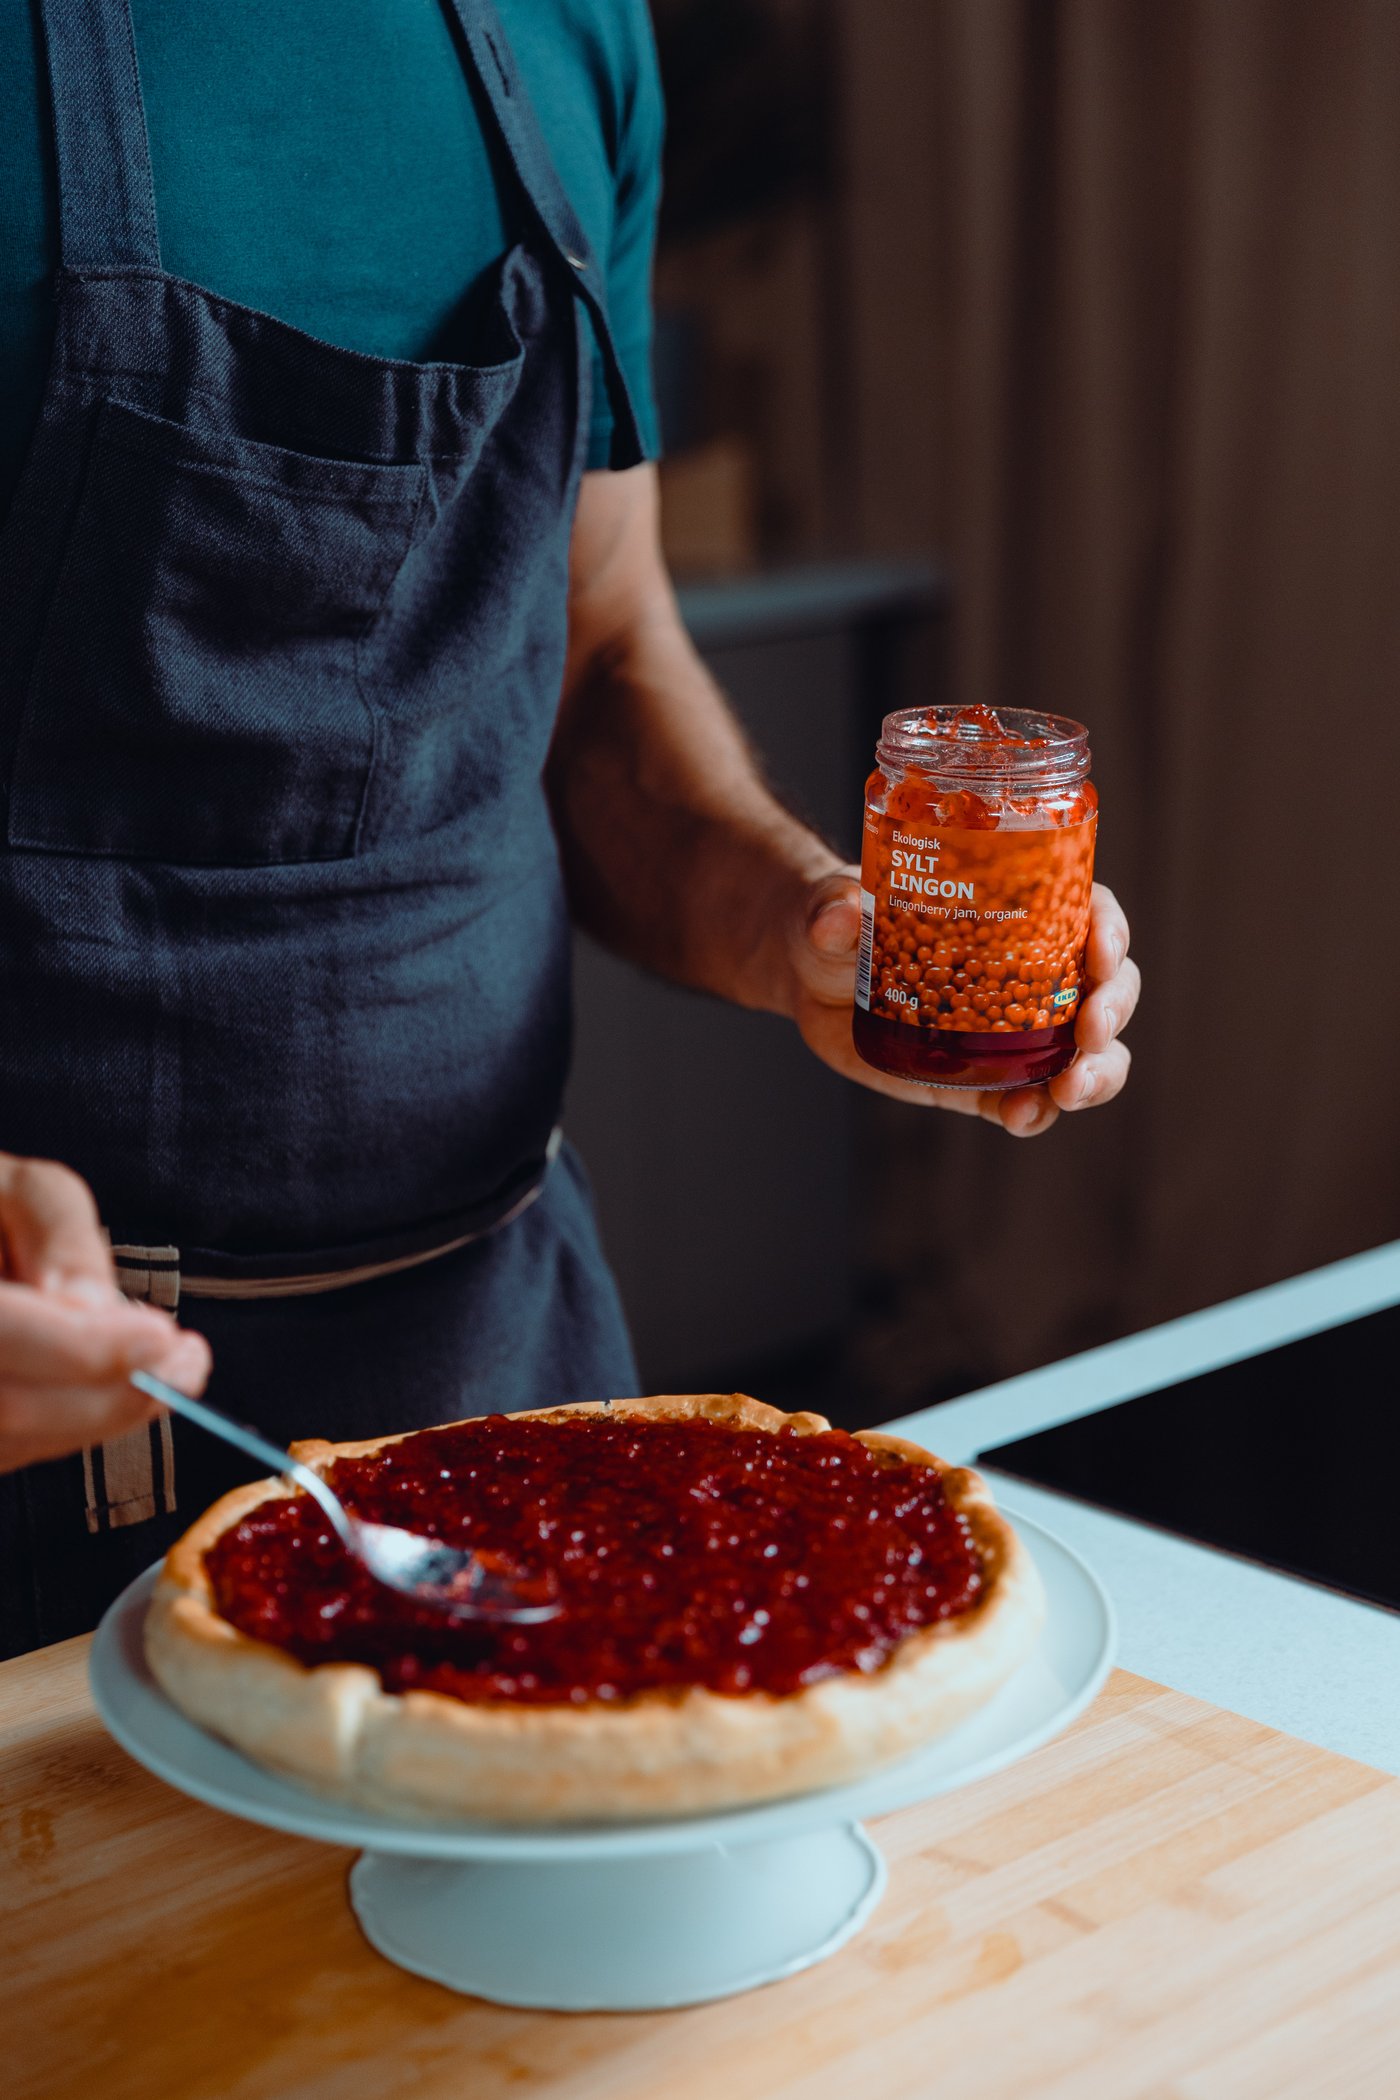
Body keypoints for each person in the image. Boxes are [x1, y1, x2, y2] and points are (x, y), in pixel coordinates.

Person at [0, 0, 1139, 1656]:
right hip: (57, 1419)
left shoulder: (573, 30)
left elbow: (595, 655)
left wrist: (809, 924)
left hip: (503, 1343)